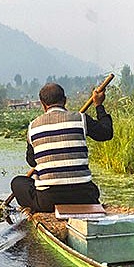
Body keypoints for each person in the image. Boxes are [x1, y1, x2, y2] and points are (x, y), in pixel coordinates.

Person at [10, 82, 113, 213]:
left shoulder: (33, 127)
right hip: (84, 197)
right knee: (87, 187)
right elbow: (106, 133)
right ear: (65, 100)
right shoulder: (81, 119)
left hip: (48, 201)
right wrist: (99, 105)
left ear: (43, 104)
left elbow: (32, 162)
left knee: (17, 182)